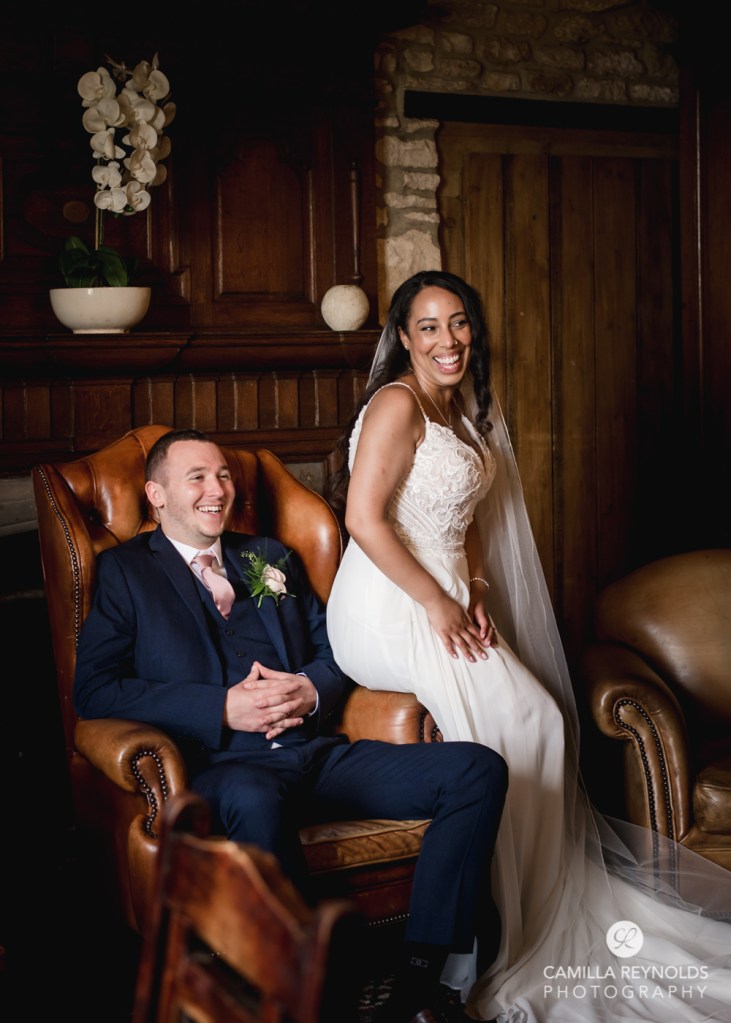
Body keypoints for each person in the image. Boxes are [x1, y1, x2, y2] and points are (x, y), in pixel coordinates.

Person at [326, 270, 731, 1023]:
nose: (446, 340)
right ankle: (494, 942)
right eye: (428, 327)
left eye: (458, 323)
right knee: (518, 726)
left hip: (443, 589)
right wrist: (437, 600)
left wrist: (474, 584)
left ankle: (532, 916)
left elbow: (464, 510)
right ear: (404, 338)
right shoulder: (395, 402)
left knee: (543, 722)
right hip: (385, 604)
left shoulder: (459, 404)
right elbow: (362, 519)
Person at [73, 427, 509, 1023]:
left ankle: (419, 976)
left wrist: (310, 690)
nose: (217, 489)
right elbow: (95, 691)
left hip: (318, 754)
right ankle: (307, 993)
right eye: (196, 477)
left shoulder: (270, 558)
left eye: (223, 475)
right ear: (156, 495)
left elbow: (338, 654)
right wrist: (219, 708)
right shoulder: (124, 572)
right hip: (225, 767)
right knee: (254, 799)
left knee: (477, 769)